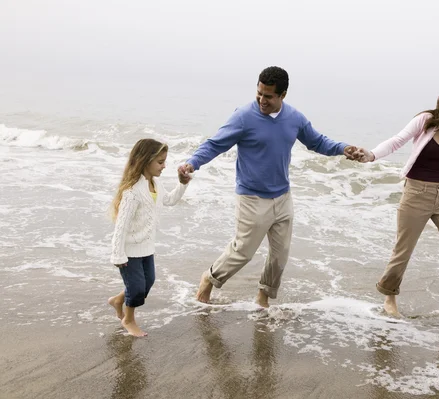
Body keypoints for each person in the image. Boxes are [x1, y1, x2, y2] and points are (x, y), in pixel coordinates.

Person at [179, 66, 357, 308]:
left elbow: (317, 142)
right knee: (242, 252)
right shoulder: (243, 116)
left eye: (269, 96)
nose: (262, 100)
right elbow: (214, 144)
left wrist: (342, 148)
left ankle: (263, 297)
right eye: (259, 94)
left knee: (280, 255)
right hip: (252, 197)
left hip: (283, 196)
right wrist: (192, 163)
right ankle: (208, 280)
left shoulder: (294, 117)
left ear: (282, 95)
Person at [353, 78, 439, 326]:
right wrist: (371, 155)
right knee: (403, 252)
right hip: (415, 193)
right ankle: (389, 299)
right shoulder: (425, 120)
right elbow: (397, 140)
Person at [108, 138, 190, 337]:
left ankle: (119, 300)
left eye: (164, 161)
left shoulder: (156, 184)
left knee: (148, 282)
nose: (164, 166)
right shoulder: (132, 192)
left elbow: (169, 200)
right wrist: (118, 255)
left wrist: (182, 184)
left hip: (147, 247)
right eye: (160, 162)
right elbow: (121, 226)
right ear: (145, 161)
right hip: (129, 250)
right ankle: (128, 319)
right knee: (136, 289)